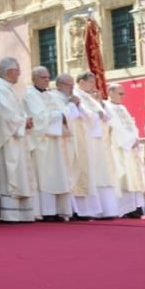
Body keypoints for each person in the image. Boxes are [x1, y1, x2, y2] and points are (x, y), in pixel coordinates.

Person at [0, 58, 38, 223]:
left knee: (19, 173)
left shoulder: (7, 89)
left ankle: (21, 212)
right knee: (11, 172)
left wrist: (25, 119)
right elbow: (4, 114)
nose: (19, 74)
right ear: (10, 72)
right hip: (8, 139)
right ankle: (10, 213)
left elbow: (15, 112)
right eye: (18, 71)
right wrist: (23, 121)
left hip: (16, 136)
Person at [23, 67, 74, 222]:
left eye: (48, 77)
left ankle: (58, 210)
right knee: (44, 177)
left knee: (57, 176)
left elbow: (62, 112)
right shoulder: (29, 95)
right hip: (41, 142)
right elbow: (38, 118)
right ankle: (45, 211)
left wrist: (62, 115)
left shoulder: (49, 95)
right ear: (34, 78)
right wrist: (61, 115)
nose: (47, 80)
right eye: (43, 77)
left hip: (54, 141)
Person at [73, 72, 121, 218]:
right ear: (81, 81)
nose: (93, 85)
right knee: (91, 173)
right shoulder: (76, 95)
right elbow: (84, 115)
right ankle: (89, 209)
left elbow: (107, 116)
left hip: (99, 139)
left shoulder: (91, 97)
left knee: (102, 174)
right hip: (86, 138)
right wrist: (97, 115)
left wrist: (100, 103)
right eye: (90, 82)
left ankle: (106, 209)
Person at [55, 73, 102, 220]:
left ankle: (81, 210)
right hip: (65, 140)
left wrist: (78, 104)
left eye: (71, 85)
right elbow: (64, 116)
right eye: (68, 85)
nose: (71, 88)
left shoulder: (76, 98)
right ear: (59, 85)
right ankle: (72, 209)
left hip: (80, 139)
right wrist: (73, 105)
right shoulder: (54, 97)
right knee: (70, 173)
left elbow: (90, 117)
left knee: (80, 172)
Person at [104, 83, 145, 218]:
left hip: (130, 148)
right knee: (121, 178)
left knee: (132, 177)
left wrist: (135, 137)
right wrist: (129, 140)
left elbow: (131, 124)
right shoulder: (106, 106)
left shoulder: (123, 108)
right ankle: (120, 209)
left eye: (123, 94)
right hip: (118, 148)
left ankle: (132, 208)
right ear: (110, 92)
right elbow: (114, 127)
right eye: (120, 93)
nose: (122, 96)